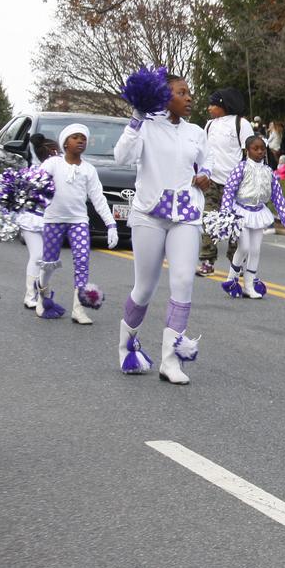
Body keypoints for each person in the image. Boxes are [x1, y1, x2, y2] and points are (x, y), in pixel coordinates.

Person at [115, 73, 212, 384]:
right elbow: (122, 156)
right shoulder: (146, 126)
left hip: (186, 214)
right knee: (144, 289)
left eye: (189, 92)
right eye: (182, 92)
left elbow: (205, 164)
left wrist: (205, 175)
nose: (189, 98)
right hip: (149, 214)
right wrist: (136, 118)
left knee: (183, 280)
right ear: (163, 95)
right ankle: (127, 347)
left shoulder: (197, 132)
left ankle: (171, 361)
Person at [34, 123, 118, 324]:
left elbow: (98, 198)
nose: (81, 141)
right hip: (53, 220)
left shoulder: (89, 169)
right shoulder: (53, 163)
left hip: (78, 221)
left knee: (82, 261)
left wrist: (111, 224)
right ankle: (42, 296)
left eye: (84, 138)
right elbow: (35, 182)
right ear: (65, 143)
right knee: (48, 264)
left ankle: (78, 309)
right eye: (75, 137)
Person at [219, 135, 285, 298]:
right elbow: (229, 190)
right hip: (240, 212)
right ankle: (231, 279)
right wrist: (226, 212)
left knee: (255, 250)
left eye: (262, 149)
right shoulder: (241, 168)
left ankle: (249, 285)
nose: (260, 151)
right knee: (244, 247)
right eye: (256, 148)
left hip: (258, 213)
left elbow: (278, 197)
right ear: (247, 150)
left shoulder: (269, 172)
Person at [197, 88, 253, 276]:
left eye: (213, 104)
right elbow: (203, 152)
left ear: (223, 105)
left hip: (235, 183)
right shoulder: (209, 126)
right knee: (208, 221)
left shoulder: (241, 124)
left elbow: (252, 151)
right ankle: (207, 261)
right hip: (212, 181)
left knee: (236, 225)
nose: (209, 108)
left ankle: (236, 263)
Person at [18, 137, 53, 309]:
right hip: (32, 220)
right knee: (38, 255)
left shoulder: (62, 172)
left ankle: (43, 293)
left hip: (51, 222)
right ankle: (29, 296)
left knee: (48, 260)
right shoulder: (34, 173)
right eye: (56, 153)